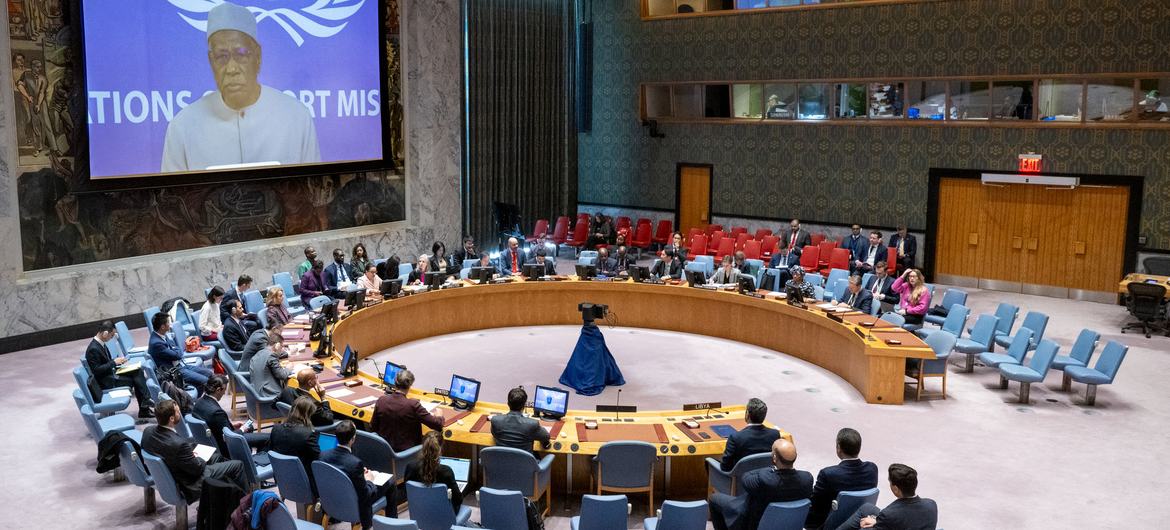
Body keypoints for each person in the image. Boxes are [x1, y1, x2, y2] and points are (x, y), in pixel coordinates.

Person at [161, 1, 319, 172]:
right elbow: (173, 198)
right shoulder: (183, 127)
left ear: (258, 57)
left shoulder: (295, 117)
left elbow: (315, 194)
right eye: (222, 56)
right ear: (210, 61)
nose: (231, 69)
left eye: (241, 54)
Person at [143, 399, 248, 503]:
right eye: (178, 411)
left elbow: (170, 449)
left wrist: (190, 454)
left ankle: (225, 499)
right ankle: (245, 505)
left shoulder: (148, 431)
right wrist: (198, 456)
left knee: (216, 456)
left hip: (177, 470)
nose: (180, 413)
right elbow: (197, 469)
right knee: (237, 465)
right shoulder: (178, 444)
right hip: (190, 482)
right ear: (171, 418)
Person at [709, 439, 814, 530]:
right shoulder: (807, 478)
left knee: (714, 499)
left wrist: (771, 468)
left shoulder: (765, 479)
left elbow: (745, 478)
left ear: (774, 458)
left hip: (754, 522)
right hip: (789, 522)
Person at [319, 420, 395, 530]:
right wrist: (369, 480)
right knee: (391, 482)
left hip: (331, 500)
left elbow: (338, 473)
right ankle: (392, 525)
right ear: (353, 439)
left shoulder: (323, 455)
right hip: (354, 505)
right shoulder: (354, 463)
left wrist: (359, 474)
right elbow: (365, 496)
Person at [805, 428, 879, 529]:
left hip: (830, 524)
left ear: (838, 447)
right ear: (859, 447)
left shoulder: (828, 474)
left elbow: (815, 504)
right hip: (859, 521)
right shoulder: (872, 469)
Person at [834, 464, 937, 530]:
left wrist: (876, 523)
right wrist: (877, 521)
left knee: (864, 526)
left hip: (893, 522)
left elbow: (892, 519)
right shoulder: (931, 504)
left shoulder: (889, 514)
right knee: (868, 508)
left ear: (896, 489)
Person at [85, 321, 154, 418]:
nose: (113, 337)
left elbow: (105, 363)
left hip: (110, 373)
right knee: (136, 380)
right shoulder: (93, 349)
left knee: (137, 371)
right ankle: (145, 406)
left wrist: (117, 362)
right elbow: (96, 370)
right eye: (112, 335)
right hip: (106, 381)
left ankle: (145, 404)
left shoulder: (100, 344)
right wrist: (113, 362)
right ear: (105, 333)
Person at [370, 369, 444, 452]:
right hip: (407, 454)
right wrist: (439, 415)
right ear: (410, 385)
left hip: (384, 451)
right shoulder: (413, 405)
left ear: (395, 382)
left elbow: (373, 426)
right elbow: (437, 425)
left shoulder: (381, 400)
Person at [193, 374, 269, 454]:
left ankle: (247, 453)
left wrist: (231, 425)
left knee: (249, 427)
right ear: (218, 390)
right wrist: (242, 429)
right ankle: (257, 460)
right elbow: (229, 437)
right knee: (268, 438)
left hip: (213, 439)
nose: (224, 393)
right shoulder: (216, 412)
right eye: (224, 390)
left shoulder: (199, 402)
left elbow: (215, 425)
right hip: (225, 446)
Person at [269, 396, 321, 495]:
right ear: (308, 415)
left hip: (282, 479)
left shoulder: (275, 429)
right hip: (304, 483)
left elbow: (271, 450)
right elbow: (318, 459)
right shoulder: (308, 434)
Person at [149, 312, 213, 390]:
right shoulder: (156, 343)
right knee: (205, 381)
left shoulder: (162, 335)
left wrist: (176, 350)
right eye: (168, 322)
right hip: (174, 372)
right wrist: (176, 350)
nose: (170, 324)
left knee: (209, 374)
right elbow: (178, 355)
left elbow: (176, 348)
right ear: (162, 327)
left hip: (180, 365)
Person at [403, 431, 464, 511]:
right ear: (440, 448)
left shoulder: (410, 467)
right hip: (444, 514)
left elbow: (407, 493)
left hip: (419, 510)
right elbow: (458, 500)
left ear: (423, 446)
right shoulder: (446, 471)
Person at [719, 398, 780, 472]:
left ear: (747, 414)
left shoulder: (735, 437)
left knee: (709, 461)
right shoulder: (775, 434)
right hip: (766, 478)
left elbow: (725, 467)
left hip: (741, 480)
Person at [490, 387, 551, 454]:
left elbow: (494, 434)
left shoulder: (495, 420)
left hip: (501, 462)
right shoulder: (532, 424)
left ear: (508, 404)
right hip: (525, 463)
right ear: (524, 405)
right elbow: (546, 436)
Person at [248, 335, 294, 402]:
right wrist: (288, 368)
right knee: (295, 392)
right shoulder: (271, 356)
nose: (282, 349)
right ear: (277, 345)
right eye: (282, 346)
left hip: (256, 391)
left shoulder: (258, 353)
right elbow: (282, 375)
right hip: (269, 393)